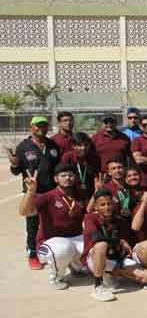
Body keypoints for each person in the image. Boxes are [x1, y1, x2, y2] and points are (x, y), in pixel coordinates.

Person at [19, 164, 85, 289]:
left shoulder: (80, 195)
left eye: (70, 175)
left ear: (75, 178)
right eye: (63, 175)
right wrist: (30, 192)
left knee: (96, 245)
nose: (67, 178)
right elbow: (24, 212)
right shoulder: (47, 197)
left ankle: (76, 265)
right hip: (51, 242)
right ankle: (56, 277)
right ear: (56, 179)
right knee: (64, 248)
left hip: (75, 238)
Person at [9, 116, 62, 269]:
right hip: (33, 193)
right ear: (31, 127)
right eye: (38, 125)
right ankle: (33, 254)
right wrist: (14, 165)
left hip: (51, 193)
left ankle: (51, 252)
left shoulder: (53, 145)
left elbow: (58, 169)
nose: (41, 128)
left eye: (44, 125)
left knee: (52, 224)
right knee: (33, 225)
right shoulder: (23, 147)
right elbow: (16, 171)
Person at [83, 189, 147, 301]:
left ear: (114, 204)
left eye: (109, 204)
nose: (107, 207)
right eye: (102, 205)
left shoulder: (119, 220)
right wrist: (119, 241)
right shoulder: (90, 218)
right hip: (95, 257)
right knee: (101, 245)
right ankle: (98, 286)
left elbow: (128, 243)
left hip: (115, 259)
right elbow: (97, 238)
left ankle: (110, 272)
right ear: (96, 206)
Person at [61, 132, 98, 200]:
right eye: (79, 145)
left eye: (86, 145)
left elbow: (96, 177)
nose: (83, 148)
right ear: (73, 146)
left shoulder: (93, 158)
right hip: (72, 195)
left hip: (90, 195)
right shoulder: (67, 157)